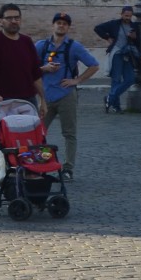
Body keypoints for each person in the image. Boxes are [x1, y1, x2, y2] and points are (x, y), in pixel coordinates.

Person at [35, 14, 98, 178]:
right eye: (58, 23)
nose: (61, 26)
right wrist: (44, 68)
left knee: (69, 133)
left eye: (64, 24)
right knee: (38, 132)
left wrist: (77, 80)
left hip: (66, 95)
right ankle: (40, 163)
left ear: (68, 28)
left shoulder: (74, 47)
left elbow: (94, 65)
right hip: (45, 96)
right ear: (53, 25)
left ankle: (68, 168)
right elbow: (29, 67)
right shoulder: (41, 46)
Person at [0, 4, 43, 113]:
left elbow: (35, 74)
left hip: (28, 100)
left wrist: (43, 100)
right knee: (5, 130)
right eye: (9, 18)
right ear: (1, 21)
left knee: (30, 130)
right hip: (3, 100)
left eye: (17, 18)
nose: (13, 21)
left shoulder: (27, 41)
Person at [95, 6, 141, 114]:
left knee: (130, 79)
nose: (127, 18)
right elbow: (97, 28)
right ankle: (116, 107)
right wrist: (107, 38)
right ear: (121, 14)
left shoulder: (134, 26)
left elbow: (139, 43)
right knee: (116, 80)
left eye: (130, 16)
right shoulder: (114, 24)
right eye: (126, 16)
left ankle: (109, 98)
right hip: (116, 54)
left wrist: (135, 38)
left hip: (128, 55)